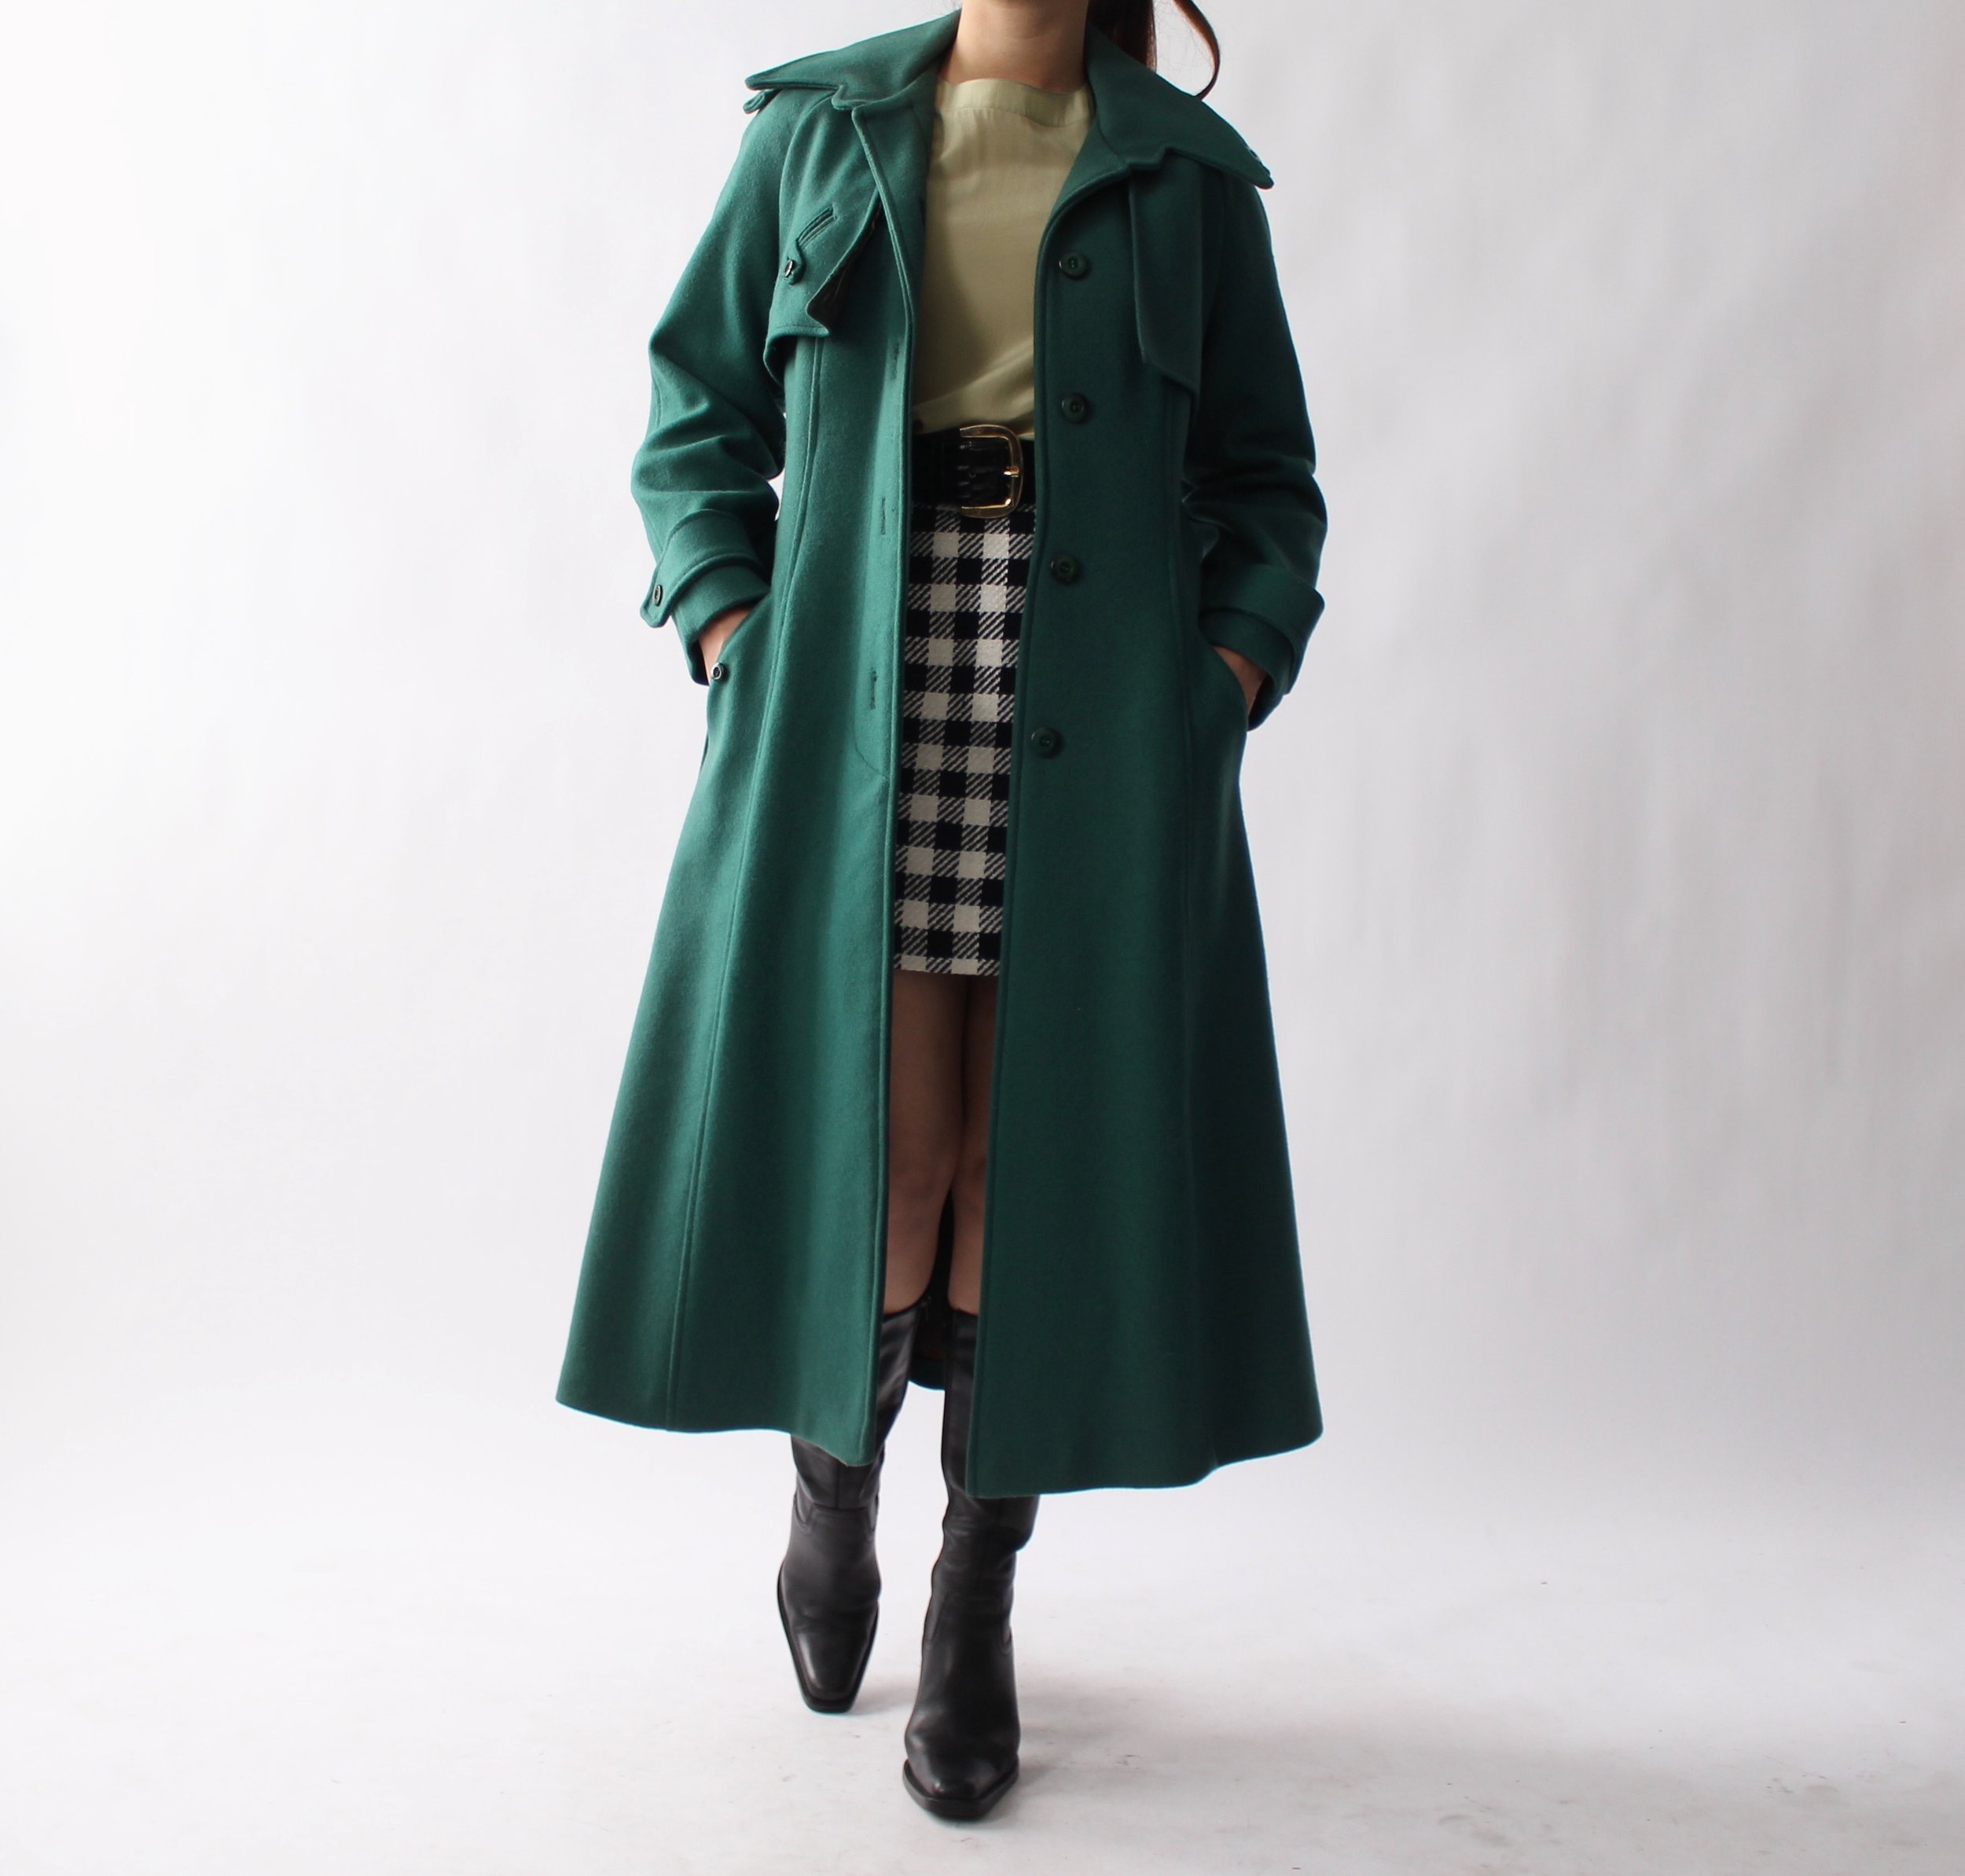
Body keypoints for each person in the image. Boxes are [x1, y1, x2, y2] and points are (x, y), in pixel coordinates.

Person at [557, 0, 1328, 1822]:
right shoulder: (814, 134)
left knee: (1020, 1164)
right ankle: (831, 1508)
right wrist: (732, 630)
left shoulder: (1184, 180)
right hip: (857, 685)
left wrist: (1214, 682)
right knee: (892, 1157)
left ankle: (973, 1595)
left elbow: (1266, 484)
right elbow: (694, 413)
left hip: (1093, 707)